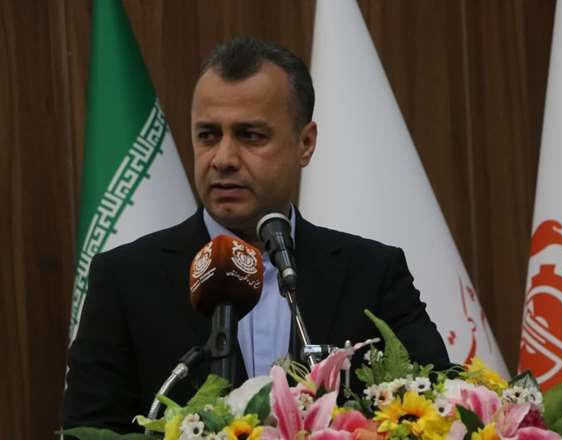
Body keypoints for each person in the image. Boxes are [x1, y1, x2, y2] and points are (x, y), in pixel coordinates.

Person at [62, 37, 451, 433]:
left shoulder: (373, 274)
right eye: (208, 135)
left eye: (250, 136)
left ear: (305, 143)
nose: (223, 159)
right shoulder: (125, 279)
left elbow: (440, 408)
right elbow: (88, 430)